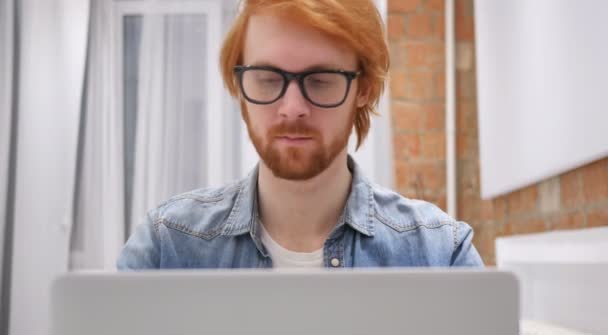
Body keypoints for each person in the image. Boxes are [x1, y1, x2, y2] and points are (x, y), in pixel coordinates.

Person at [117, 0, 483, 270]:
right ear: (239, 85)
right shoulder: (167, 246)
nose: (292, 107)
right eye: (268, 78)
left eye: (321, 81)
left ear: (364, 88)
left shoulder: (440, 253)